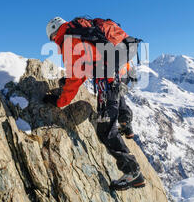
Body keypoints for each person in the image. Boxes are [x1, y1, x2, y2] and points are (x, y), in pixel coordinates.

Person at [43, 16, 145, 191]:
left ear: (54, 35)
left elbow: (76, 77)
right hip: (124, 66)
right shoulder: (84, 29)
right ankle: (125, 121)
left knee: (105, 130)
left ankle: (133, 172)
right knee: (115, 92)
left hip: (110, 76)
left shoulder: (69, 41)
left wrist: (60, 102)